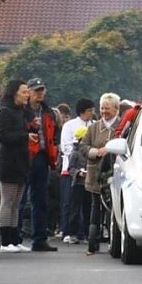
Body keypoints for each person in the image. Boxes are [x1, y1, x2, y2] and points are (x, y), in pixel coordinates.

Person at [80, 92, 121, 254]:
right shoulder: (93, 128)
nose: (104, 111)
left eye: (108, 108)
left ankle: (114, 239)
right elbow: (83, 147)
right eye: (102, 108)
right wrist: (95, 151)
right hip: (96, 174)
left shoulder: (122, 126)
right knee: (95, 207)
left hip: (115, 174)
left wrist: (110, 149)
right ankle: (93, 241)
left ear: (116, 109)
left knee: (113, 207)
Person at [21, 77, 59, 252]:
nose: (40, 93)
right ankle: (15, 237)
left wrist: (54, 153)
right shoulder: (21, 111)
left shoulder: (48, 112)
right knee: (20, 198)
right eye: (36, 90)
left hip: (43, 157)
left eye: (42, 90)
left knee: (40, 199)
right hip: (26, 156)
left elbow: (54, 134)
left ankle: (39, 239)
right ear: (28, 92)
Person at [0, 80, 33, 253]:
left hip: (22, 161)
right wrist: (24, 136)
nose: (28, 95)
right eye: (24, 92)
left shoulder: (22, 112)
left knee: (17, 202)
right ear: (14, 93)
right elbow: (3, 136)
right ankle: (4, 240)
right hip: (9, 162)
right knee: (8, 201)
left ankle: (14, 238)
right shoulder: (5, 112)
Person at [60, 98, 95, 244]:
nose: (92, 113)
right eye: (89, 111)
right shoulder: (69, 125)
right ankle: (67, 231)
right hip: (71, 170)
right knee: (70, 203)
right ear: (82, 111)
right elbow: (66, 146)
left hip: (90, 170)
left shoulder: (94, 125)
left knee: (88, 204)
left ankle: (85, 232)